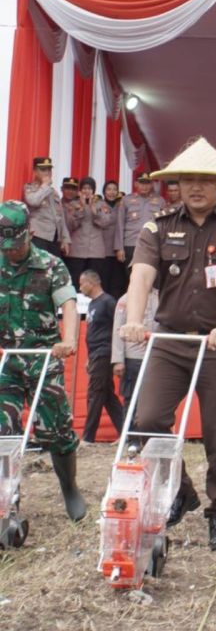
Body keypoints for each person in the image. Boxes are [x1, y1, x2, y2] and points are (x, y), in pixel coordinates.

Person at [119, 138, 216, 551]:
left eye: (206, 181)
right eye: (188, 181)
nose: (197, 188)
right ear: (177, 186)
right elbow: (141, 278)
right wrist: (134, 320)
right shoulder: (158, 227)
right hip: (169, 340)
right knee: (147, 418)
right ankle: (181, 489)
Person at [0, 200, 86, 520]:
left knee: (56, 430)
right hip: (6, 361)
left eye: (15, 245)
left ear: (30, 234)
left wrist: (69, 340)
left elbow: (69, 304)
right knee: (2, 431)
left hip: (43, 358)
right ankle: (9, 502)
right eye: (4, 247)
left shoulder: (50, 265)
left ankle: (70, 489)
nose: (10, 252)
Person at [79, 269, 124, 443]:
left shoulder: (108, 302)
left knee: (95, 393)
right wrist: (89, 357)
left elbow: (118, 327)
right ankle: (125, 432)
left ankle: (88, 437)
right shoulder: (92, 304)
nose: (80, 287)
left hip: (105, 352)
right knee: (106, 395)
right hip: (95, 354)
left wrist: (118, 356)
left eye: (82, 283)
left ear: (92, 283)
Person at [64, 177, 114, 290]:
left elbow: (105, 223)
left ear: (94, 190)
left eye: (90, 188)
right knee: (76, 282)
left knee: (93, 283)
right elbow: (70, 225)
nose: (87, 191)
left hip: (95, 251)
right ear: (80, 190)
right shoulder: (73, 204)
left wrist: (94, 211)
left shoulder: (101, 204)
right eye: (84, 188)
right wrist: (80, 210)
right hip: (77, 251)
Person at [112, 289, 159, 403]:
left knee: (155, 401)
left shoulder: (161, 296)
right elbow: (118, 330)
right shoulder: (125, 299)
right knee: (132, 400)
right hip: (134, 358)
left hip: (157, 357)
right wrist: (118, 360)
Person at [115, 174, 166, 269]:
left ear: (151, 185)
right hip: (131, 244)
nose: (144, 186)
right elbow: (119, 225)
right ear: (136, 184)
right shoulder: (126, 200)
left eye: (147, 183)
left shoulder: (160, 201)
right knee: (131, 276)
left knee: (151, 275)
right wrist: (119, 248)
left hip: (152, 244)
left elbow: (164, 225)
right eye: (142, 183)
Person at [24, 157, 71, 257]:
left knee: (52, 271)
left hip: (54, 238)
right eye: (43, 169)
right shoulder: (30, 187)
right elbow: (33, 201)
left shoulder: (53, 192)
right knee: (38, 269)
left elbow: (61, 218)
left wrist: (65, 239)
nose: (47, 173)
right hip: (38, 236)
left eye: (49, 170)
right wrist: (45, 185)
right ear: (35, 171)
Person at [101, 180, 125, 296]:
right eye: (109, 189)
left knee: (118, 282)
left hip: (118, 249)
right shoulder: (98, 204)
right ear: (104, 191)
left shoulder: (121, 205)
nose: (112, 192)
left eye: (114, 189)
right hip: (103, 250)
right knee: (104, 281)